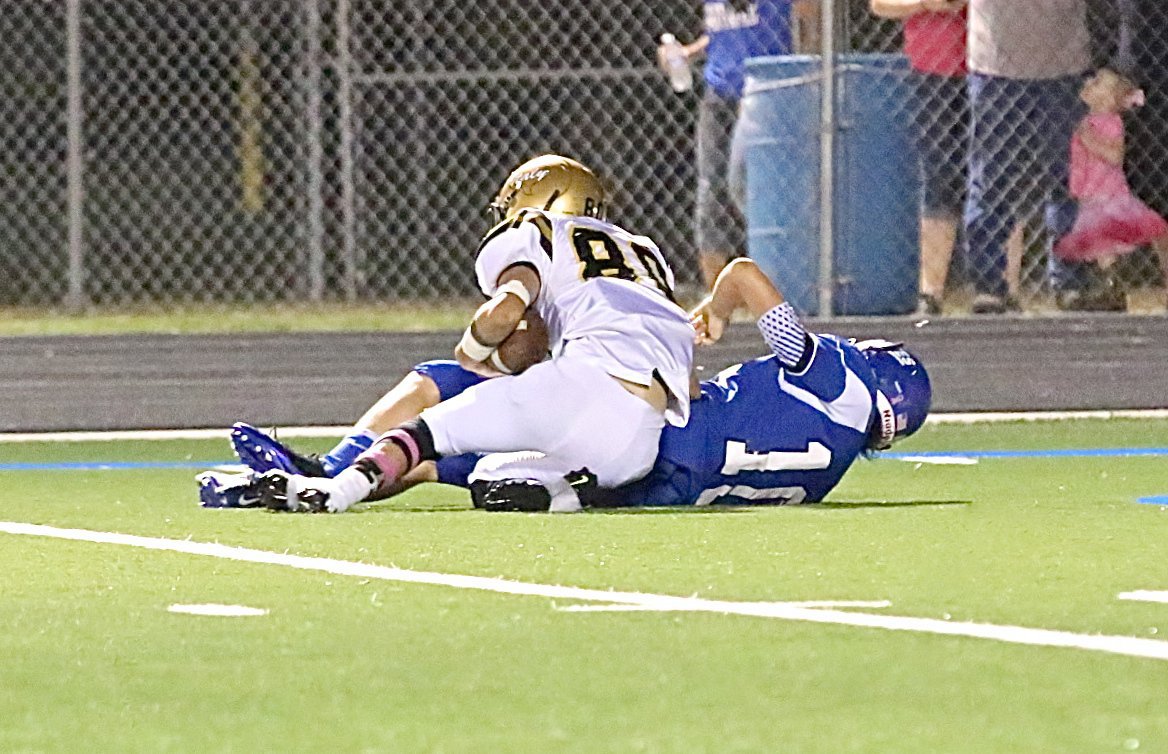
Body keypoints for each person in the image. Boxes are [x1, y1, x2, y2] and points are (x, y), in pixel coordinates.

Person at [199, 259, 932, 511]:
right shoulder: (830, 467)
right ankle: (550, 490)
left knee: (439, 388)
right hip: (658, 483)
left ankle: (330, 471)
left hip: (657, 428)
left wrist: (714, 308)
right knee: (438, 464)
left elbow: (744, 278)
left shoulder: (842, 388)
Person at [251, 154, 695, 514]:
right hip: (636, 444)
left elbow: (503, 311)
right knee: (493, 475)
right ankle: (567, 493)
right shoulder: (645, 253)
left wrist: (474, 353)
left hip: (577, 387)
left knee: (427, 432)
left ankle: (336, 487)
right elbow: (688, 383)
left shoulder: (540, 231)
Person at [964, 0, 1112, 313]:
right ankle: (989, 285)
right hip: (996, 66)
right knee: (993, 177)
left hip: (1066, 63)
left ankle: (1069, 279)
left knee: (1069, 177)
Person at [658, 0, 818, 288]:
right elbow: (725, 32)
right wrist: (687, 53)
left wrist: (801, 75)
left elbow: (808, 19)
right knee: (712, 190)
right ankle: (717, 295)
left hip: (766, 90)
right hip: (719, 93)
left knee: (754, 188)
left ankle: (778, 283)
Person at [1052, 68, 1168, 296]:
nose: (1089, 83)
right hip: (1091, 195)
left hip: (1108, 193)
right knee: (1100, 244)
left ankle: (1114, 281)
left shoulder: (1110, 122)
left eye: (1097, 83)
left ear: (1108, 98)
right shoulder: (1087, 120)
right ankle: (1111, 283)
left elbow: (1115, 156)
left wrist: (1089, 139)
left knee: (1105, 240)